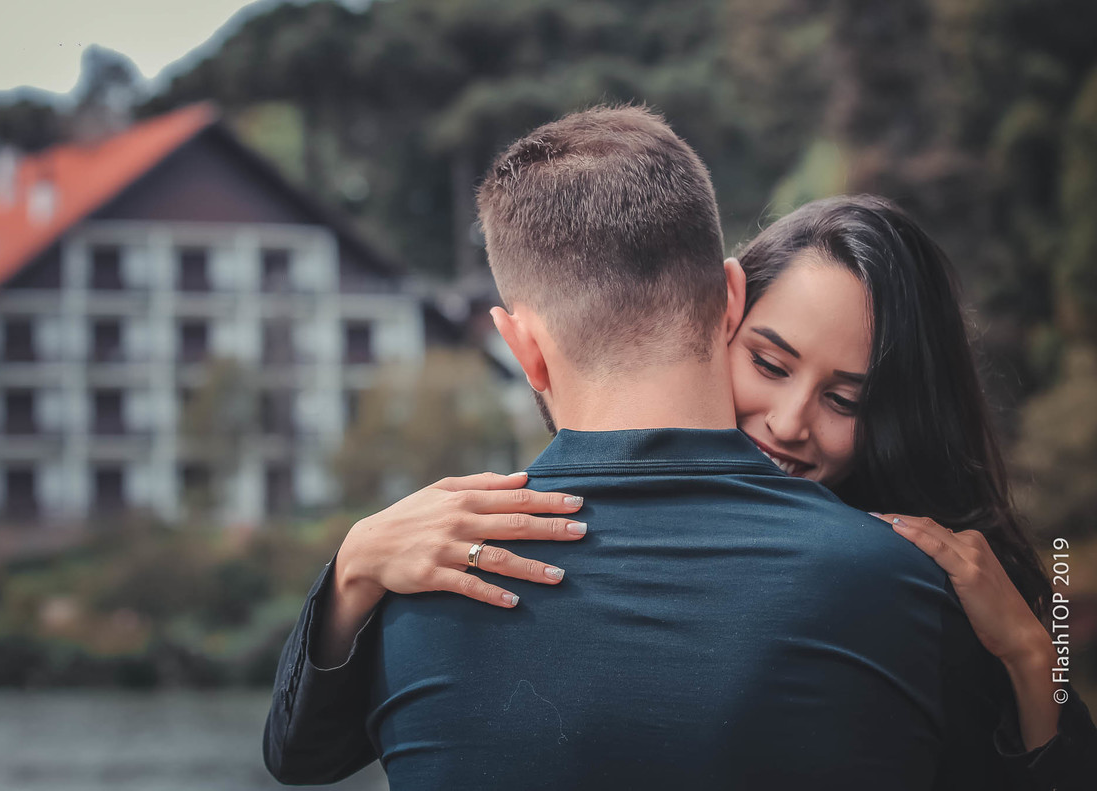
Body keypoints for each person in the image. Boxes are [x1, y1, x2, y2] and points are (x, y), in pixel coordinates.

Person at [264, 105, 1095, 788]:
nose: (790, 420)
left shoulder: (945, 565)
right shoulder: (441, 543)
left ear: (525, 350)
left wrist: (1035, 650)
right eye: (769, 363)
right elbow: (297, 751)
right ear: (729, 304)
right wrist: (353, 565)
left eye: (847, 398)